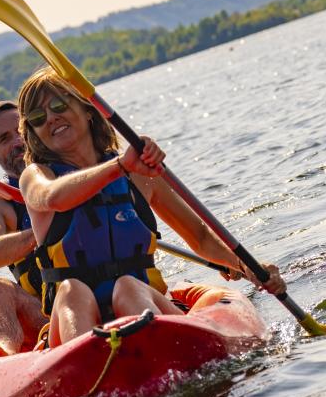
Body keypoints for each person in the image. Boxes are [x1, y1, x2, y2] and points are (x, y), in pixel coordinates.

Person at [17, 66, 287, 347]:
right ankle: (87, 368)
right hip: (79, 323)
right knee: (73, 290)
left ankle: (159, 350)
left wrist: (247, 267)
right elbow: (53, 198)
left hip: (140, 305)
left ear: (87, 109)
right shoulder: (36, 177)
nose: (51, 118)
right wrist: (120, 165)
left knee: (129, 287)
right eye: (38, 117)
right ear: (34, 133)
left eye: (58, 104)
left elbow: (201, 237)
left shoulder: (139, 175)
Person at [0, 101, 47, 355]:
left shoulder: (69, 171)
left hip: (97, 293)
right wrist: (45, 229)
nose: (18, 142)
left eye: (21, 131)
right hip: (43, 313)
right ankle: (6, 358)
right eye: (5, 138)